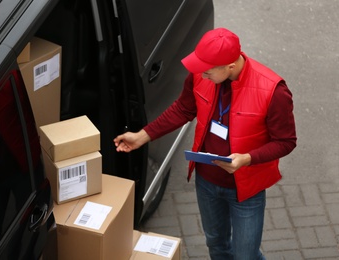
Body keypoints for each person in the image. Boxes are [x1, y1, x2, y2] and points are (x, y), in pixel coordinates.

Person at [113, 27, 297, 260]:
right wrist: (142, 136)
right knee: (217, 246)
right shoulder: (203, 73)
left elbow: (286, 142)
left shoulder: (273, 91)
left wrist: (247, 159)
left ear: (230, 66)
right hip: (207, 182)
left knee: (246, 255)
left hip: (246, 190)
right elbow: (183, 108)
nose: (200, 74)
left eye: (207, 70)